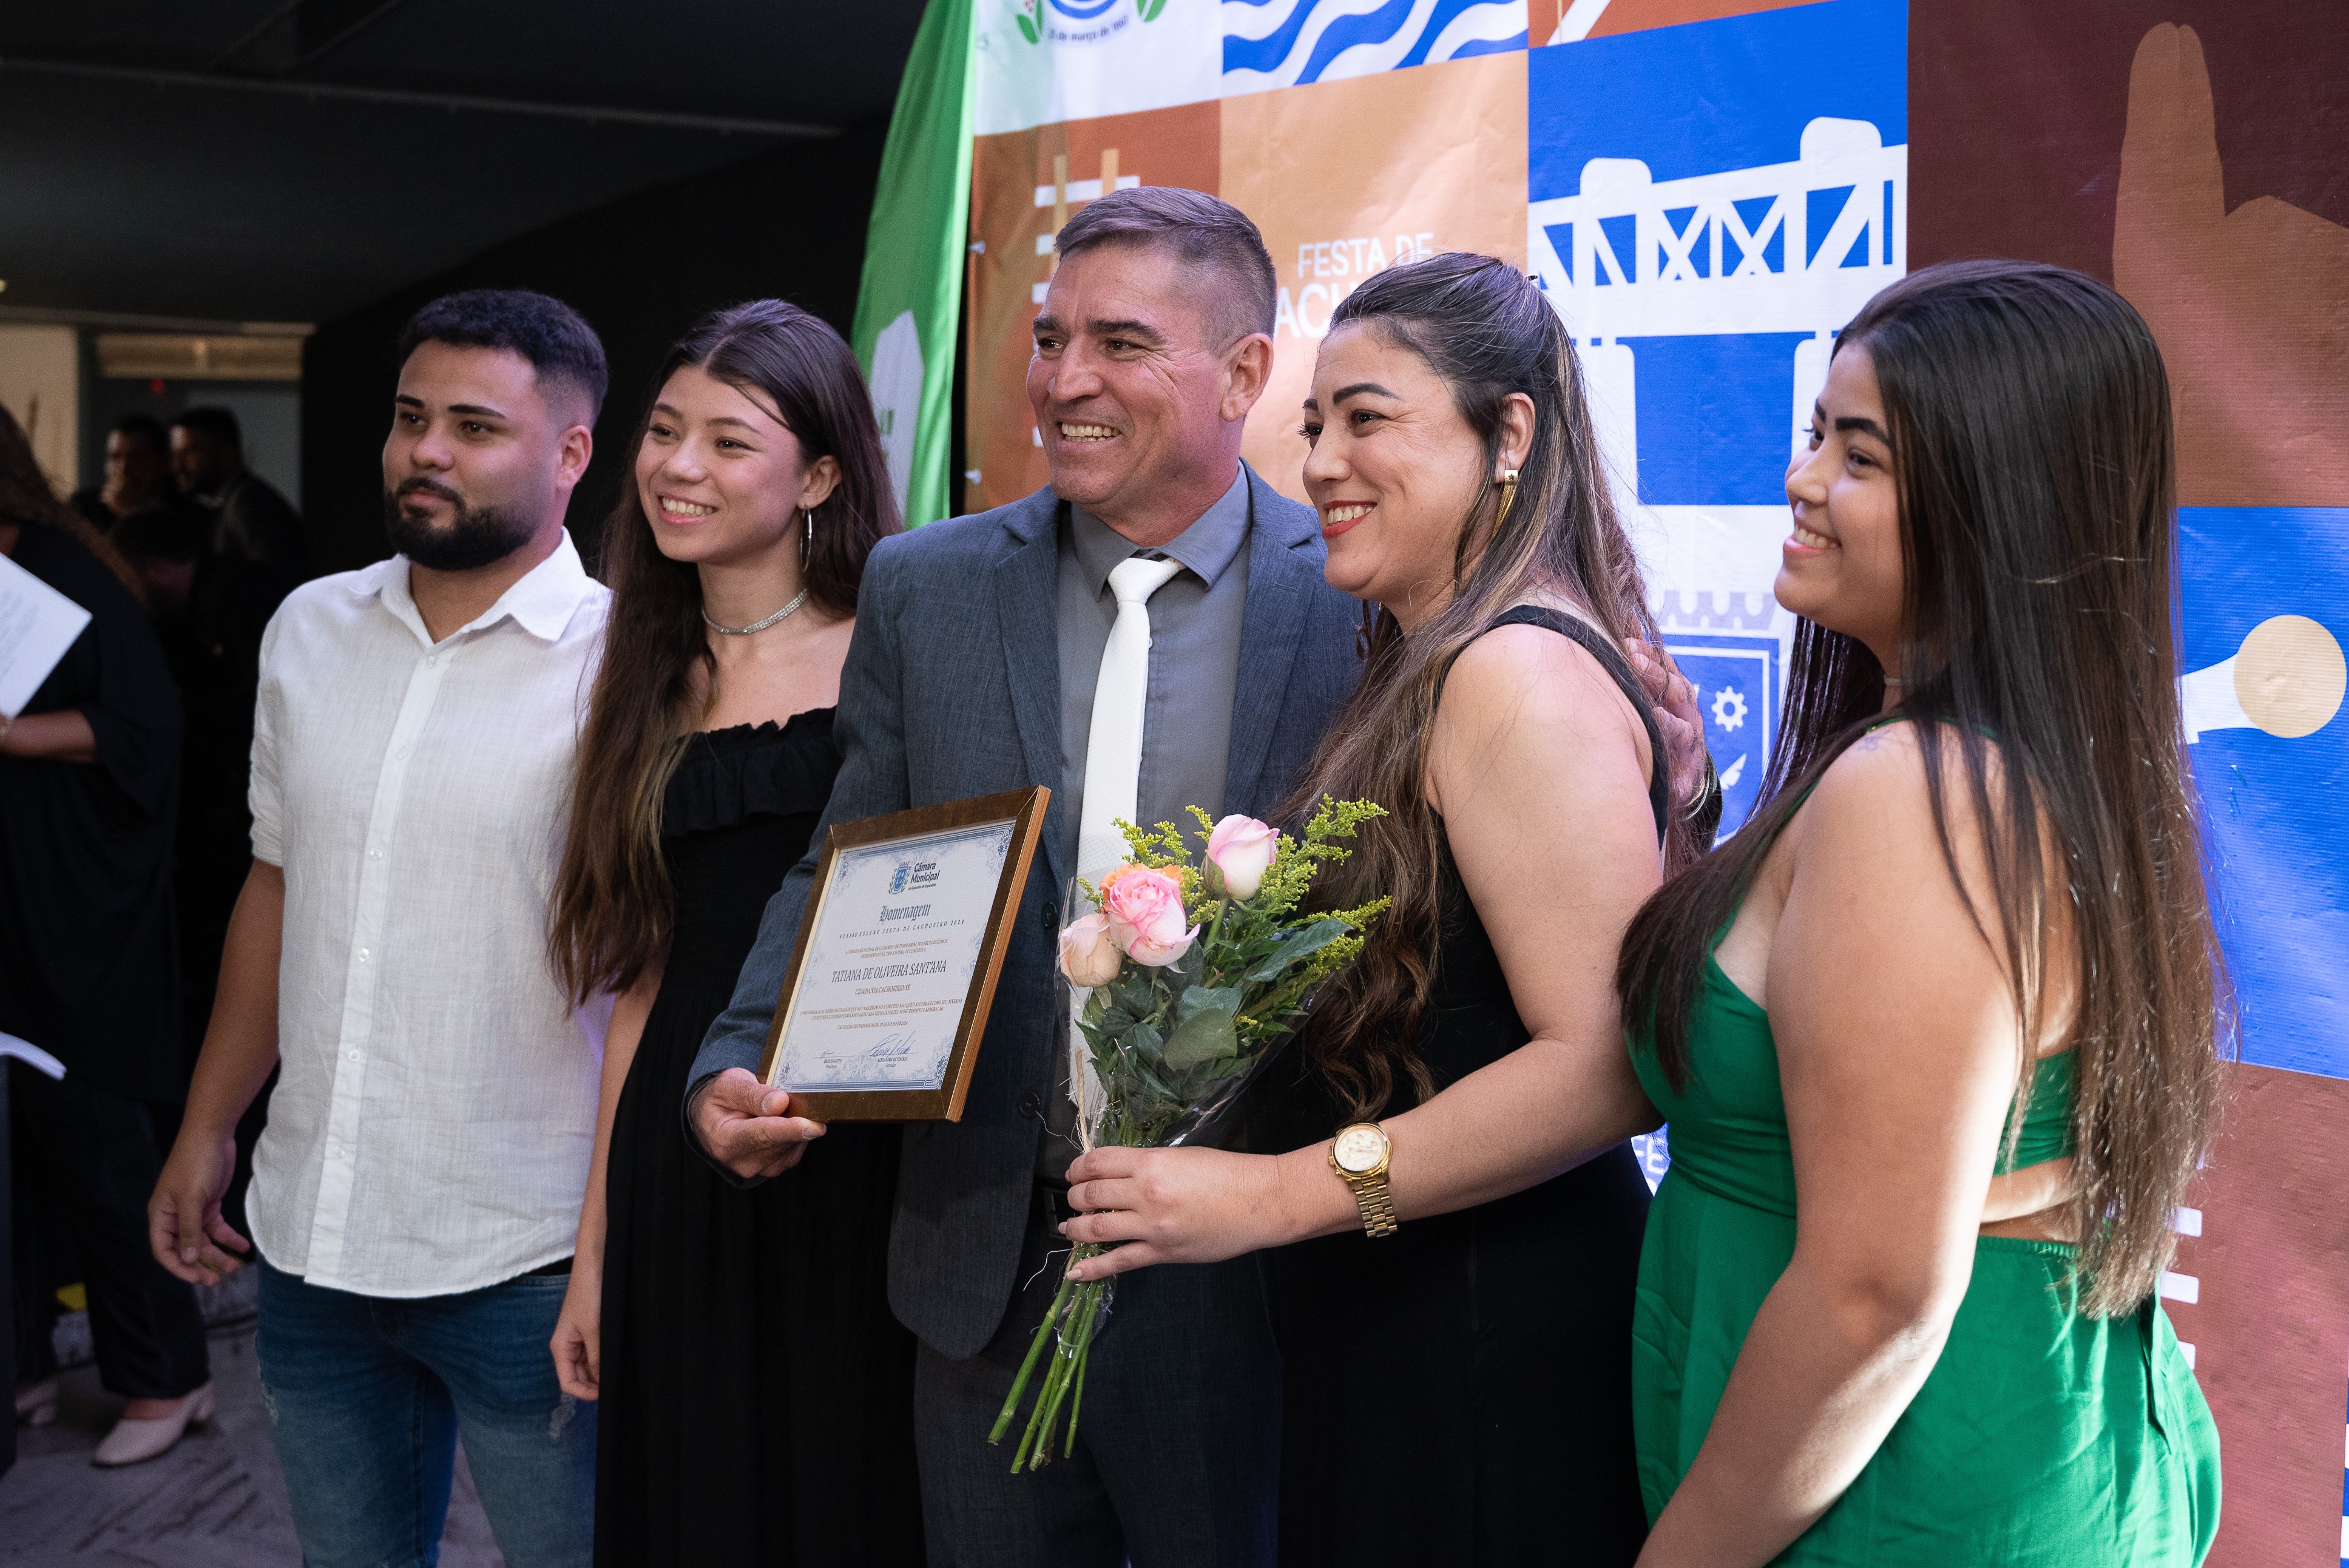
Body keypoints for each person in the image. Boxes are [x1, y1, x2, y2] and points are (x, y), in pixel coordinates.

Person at [683, 186, 1357, 1567]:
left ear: (1244, 373)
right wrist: (746, 1053)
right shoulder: (926, 587)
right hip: (983, 1260)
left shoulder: (1357, 595)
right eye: (1051, 339)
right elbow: (849, 855)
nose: (1063, 380)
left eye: (1121, 342)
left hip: (1258, 1283)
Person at [1054, 253, 1707, 1564]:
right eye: (1314, 425)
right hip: (1409, 1315)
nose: (1321, 464)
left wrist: (1274, 1194)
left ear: (1507, 433)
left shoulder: (1512, 669)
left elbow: (1604, 1071)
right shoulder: (1445, 654)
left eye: (1368, 418)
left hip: (1486, 1332)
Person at [1611, 260, 2221, 1564]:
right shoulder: (2001, 768)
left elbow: (1873, 1294)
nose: (1801, 480)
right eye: (1815, 435)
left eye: (1860, 455)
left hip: (1906, 1488)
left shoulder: (1921, 788)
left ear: (1998, 502)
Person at [149, 289, 612, 1568]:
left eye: (475, 426)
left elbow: (653, 978)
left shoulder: (628, 662)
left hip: (526, 1247)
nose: (426, 451)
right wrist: (209, 1124)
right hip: (317, 1233)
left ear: (571, 452)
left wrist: (610, 1244)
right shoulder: (311, 625)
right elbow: (277, 887)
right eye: (412, 417)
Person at [545, 299, 919, 1564]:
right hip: (681, 1150)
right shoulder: (641, 669)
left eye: (727, 440)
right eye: (663, 431)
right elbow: (638, 984)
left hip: (860, 1144)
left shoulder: (894, 649)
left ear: (820, 474)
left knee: (848, 1495)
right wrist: (596, 1252)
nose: (678, 466)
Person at [1, 404, 212, 1466]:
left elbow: (145, 727)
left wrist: (8, 732)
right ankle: (23, 1361)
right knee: (16, 1161)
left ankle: (167, 1376)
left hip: (78, 914)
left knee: (98, 1146)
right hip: (14, 908)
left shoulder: (62, 569)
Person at [171, 406, 306, 575]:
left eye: (190, 452)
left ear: (227, 452)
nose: (178, 466)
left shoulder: (251, 506)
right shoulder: (231, 502)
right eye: (175, 455)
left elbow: (270, 580)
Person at [70, 413, 189, 532]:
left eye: (137, 458)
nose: (124, 468)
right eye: (115, 457)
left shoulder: (185, 515)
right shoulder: (84, 507)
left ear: (164, 463)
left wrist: (126, 513)